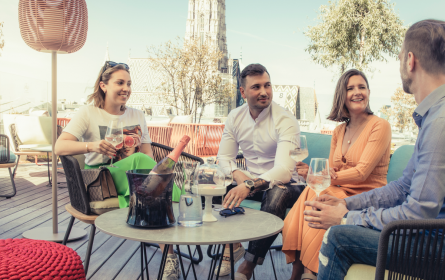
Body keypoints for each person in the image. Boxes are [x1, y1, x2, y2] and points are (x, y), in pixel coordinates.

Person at [304, 19, 445, 280]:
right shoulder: (433, 116)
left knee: (338, 237)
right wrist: (346, 204)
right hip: (429, 234)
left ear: (410, 61)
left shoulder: (439, 122)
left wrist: (347, 218)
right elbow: (401, 188)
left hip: (436, 246)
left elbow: (416, 215)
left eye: (400, 56)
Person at [54, 61, 181, 280]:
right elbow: (59, 146)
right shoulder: (88, 113)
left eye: (129, 83)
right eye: (120, 82)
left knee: (158, 182)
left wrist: (136, 157)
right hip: (101, 180)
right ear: (104, 85)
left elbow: (148, 157)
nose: (126, 88)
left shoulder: (137, 115)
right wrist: (92, 145)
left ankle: (169, 256)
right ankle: (178, 216)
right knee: (159, 180)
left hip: (134, 179)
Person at [281, 69, 392, 280]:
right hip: (339, 189)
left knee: (319, 199)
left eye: (362, 87)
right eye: (350, 88)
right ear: (342, 95)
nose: (357, 92)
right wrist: (314, 174)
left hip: (368, 193)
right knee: (310, 194)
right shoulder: (339, 130)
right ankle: (300, 270)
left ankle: (310, 272)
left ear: (369, 92)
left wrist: (324, 177)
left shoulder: (380, 126)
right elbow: (332, 170)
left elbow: (361, 173)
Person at [216, 63, 304, 280]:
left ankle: (248, 264)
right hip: (250, 181)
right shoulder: (235, 117)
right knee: (211, 185)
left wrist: (249, 185)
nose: (264, 92)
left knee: (276, 194)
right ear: (243, 92)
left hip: (289, 185)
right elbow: (223, 158)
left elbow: (284, 171)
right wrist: (240, 177)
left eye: (267, 85)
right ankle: (232, 245)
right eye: (256, 87)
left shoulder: (285, 120)